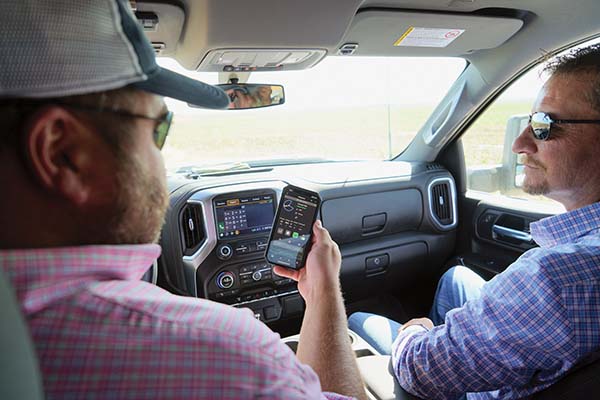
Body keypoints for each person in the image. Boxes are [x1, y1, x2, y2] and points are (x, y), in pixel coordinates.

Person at [0, 1, 367, 399]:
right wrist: (323, 290)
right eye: (159, 130)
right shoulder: (230, 357)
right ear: (62, 152)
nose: (162, 157)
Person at [349, 44, 600, 399]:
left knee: (359, 321)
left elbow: (422, 370)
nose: (519, 143)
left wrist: (415, 331)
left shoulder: (556, 280)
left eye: (544, 125)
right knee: (457, 278)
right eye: (529, 122)